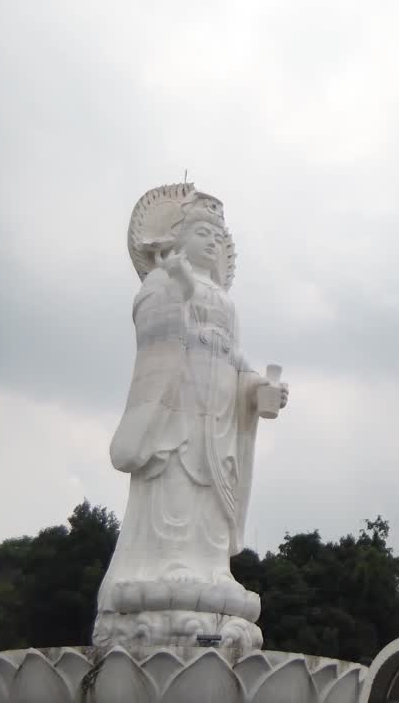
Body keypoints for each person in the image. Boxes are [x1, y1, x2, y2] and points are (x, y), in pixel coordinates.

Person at [93, 184, 287, 649]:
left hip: (217, 425)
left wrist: (260, 390)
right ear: (175, 241)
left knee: (210, 507)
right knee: (175, 491)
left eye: (218, 238)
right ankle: (165, 566)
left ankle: (212, 569)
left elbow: (238, 363)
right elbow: (152, 330)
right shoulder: (162, 284)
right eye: (203, 232)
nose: (212, 244)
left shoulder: (226, 303)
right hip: (175, 423)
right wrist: (175, 299)